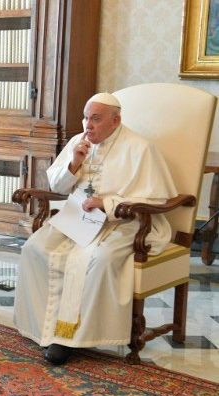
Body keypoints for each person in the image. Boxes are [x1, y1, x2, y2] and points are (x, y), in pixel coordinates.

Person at [13, 93, 178, 365]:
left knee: (97, 259)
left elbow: (156, 200)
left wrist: (107, 203)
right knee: (34, 248)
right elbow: (57, 187)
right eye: (85, 118)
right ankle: (43, 327)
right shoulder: (78, 142)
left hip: (123, 223)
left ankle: (73, 338)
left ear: (116, 120)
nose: (88, 125)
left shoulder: (140, 148)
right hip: (77, 219)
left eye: (96, 119)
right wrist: (74, 163)